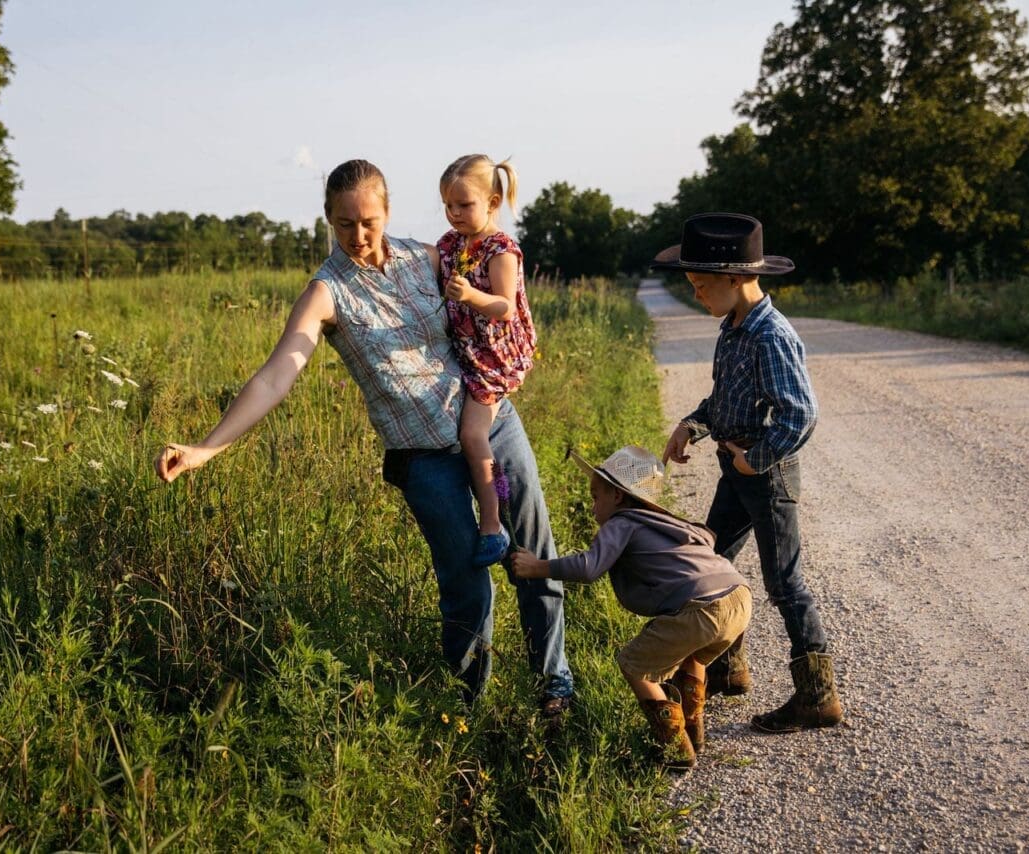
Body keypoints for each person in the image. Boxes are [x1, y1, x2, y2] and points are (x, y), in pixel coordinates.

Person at [154, 159, 574, 715]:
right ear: (328, 220)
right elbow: (278, 372)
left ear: (388, 210)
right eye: (345, 224)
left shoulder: (430, 257)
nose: (359, 235)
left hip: (492, 425)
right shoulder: (326, 293)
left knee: (532, 553)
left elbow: (501, 301)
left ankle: (555, 685)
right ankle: (468, 709)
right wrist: (207, 448)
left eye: (369, 221)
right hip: (423, 460)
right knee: (467, 583)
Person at [652, 212, 842, 732]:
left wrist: (754, 459)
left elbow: (800, 413)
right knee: (712, 561)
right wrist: (691, 426)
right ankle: (729, 669)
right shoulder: (732, 329)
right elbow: (723, 400)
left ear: (735, 278)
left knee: (785, 583)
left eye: (700, 285)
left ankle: (817, 696)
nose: (696, 295)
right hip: (736, 471)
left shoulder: (770, 335)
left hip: (768, 475)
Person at [509, 445, 751, 768]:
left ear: (618, 497)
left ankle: (674, 749)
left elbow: (588, 567)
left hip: (702, 608)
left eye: (596, 497)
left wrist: (538, 567)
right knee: (691, 654)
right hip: (738, 597)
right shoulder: (670, 523)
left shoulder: (622, 523)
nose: (593, 506)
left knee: (633, 665)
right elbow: (708, 538)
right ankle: (693, 728)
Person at [436, 154, 537, 567]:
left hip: (496, 357)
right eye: (448, 205)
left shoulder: (501, 248)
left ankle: (493, 523)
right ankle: (495, 511)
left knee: (474, 438)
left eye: (464, 205)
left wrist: (470, 296)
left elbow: (504, 306)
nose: (454, 213)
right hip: (467, 351)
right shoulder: (452, 244)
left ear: (493, 202)